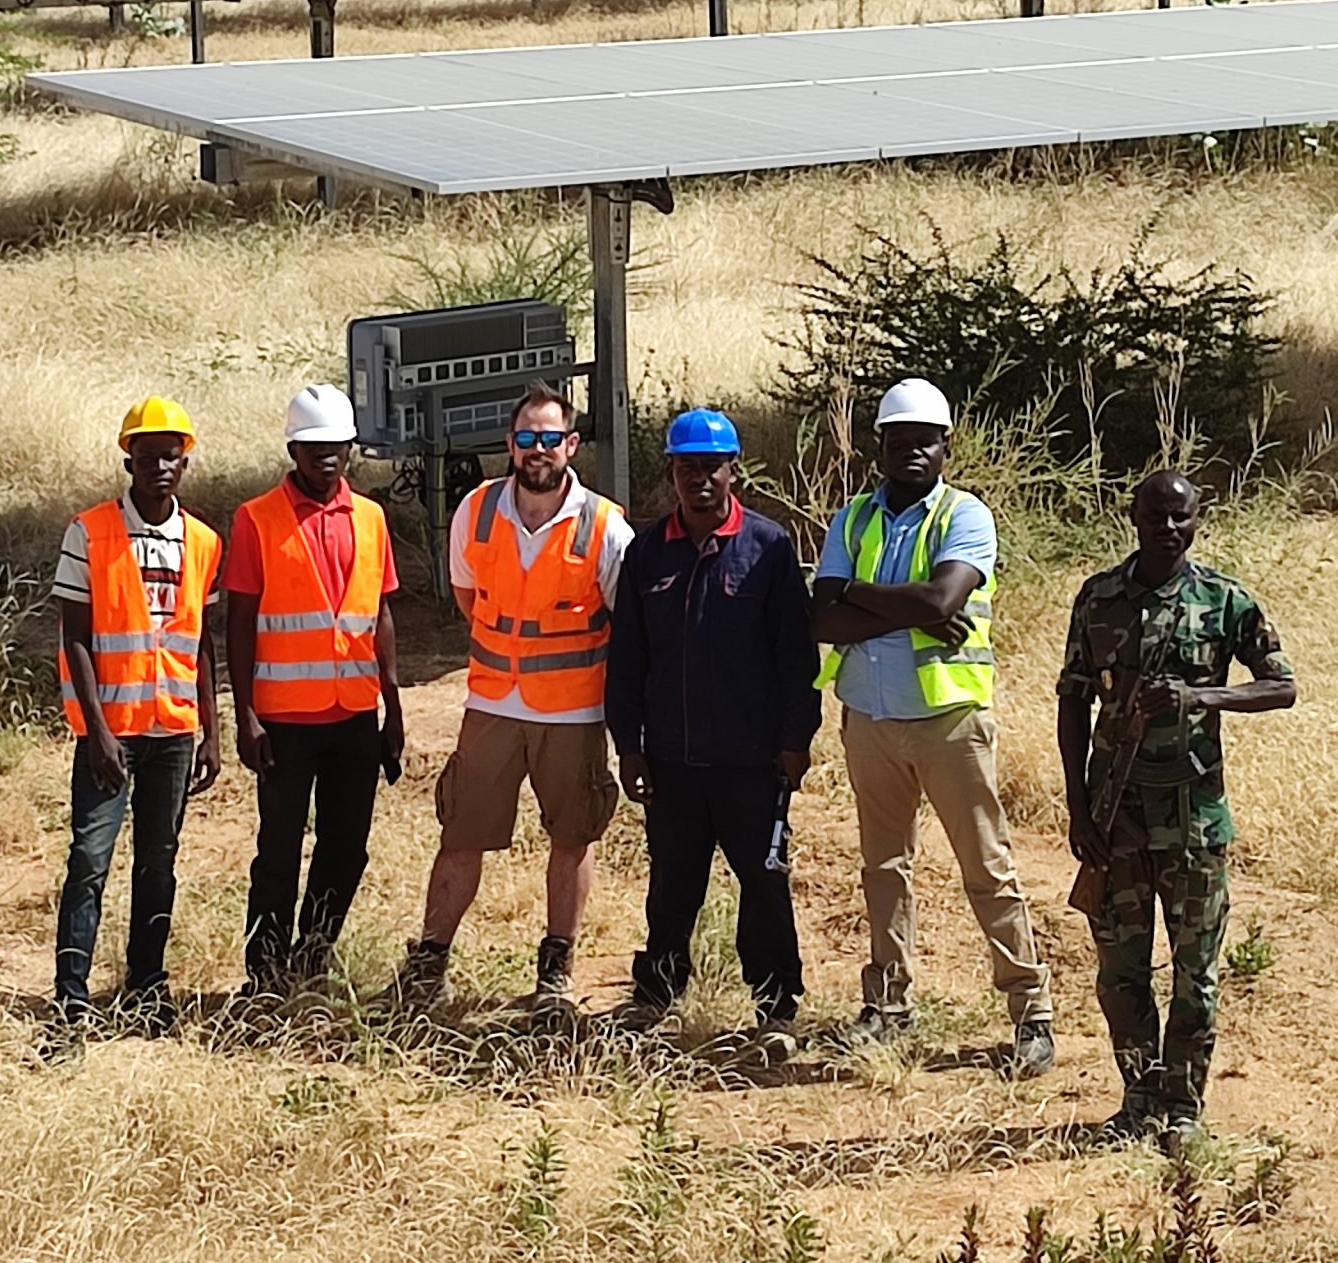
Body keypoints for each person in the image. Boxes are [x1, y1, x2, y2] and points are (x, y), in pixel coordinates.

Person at [812, 378, 1055, 1077]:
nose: (912, 449)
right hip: (869, 719)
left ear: (947, 446)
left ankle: (1030, 1011)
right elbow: (822, 617)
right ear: (878, 446)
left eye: (926, 439)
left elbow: (943, 597)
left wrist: (856, 592)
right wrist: (896, 603)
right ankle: (889, 1006)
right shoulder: (853, 519)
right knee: (884, 870)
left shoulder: (966, 516)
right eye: (898, 438)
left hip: (948, 723)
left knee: (987, 867)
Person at [1058, 469, 1297, 1149]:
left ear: (1198, 520)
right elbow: (1072, 699)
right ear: (1132, 516)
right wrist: (1077, 807)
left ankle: (1184, 1106)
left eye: (1181, 517)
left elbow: (1282, 687)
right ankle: (1138, 1100)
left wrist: (1203, 698)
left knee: (1197, 972)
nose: (1168, 528)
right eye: (1155, 515)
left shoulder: (1224, 601)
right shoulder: (1098, 598)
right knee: (1120, 970)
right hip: (1116, 818)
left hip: (1195, 817)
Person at [402, 382, 632, 1017]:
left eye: (550, 439)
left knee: (572, 838)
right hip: (493, 707)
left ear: (572, 445)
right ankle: (428, 965)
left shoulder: (607, 527)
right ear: (509, 444)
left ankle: (555, 975)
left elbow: (627, 623)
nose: (538, 450)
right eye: (526, 438)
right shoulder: (474, 513)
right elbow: (469, 600)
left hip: (574, 712)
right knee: (461, 836)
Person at [606, 408, 819, 1053]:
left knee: (763, 882)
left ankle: (776, 1008)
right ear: (671, 472)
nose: (700, 479)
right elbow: (629, 658)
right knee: (672, 885)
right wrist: (629, 744)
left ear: (733, 471)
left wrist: (794, 740)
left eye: (712, 466)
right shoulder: (647, 551)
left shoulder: (769, 547)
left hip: (751, 762)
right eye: (687, 467)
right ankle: (657, 993)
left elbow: (796, 656)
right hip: (672, 759)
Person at [223, 383, 404, 996]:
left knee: (347, 847)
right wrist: (244, 715)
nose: (326, 458)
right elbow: (240, 620)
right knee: (277, 850)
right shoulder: (255, 519)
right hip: (282, 721)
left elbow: (378, 615)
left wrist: (394, 708)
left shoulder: (372, 518)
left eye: (337, 447)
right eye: (312, 447)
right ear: (293, 450)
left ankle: (312, 954)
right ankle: (265, 971)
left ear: (351, 448)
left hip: (354, 714)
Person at [50, 396, 223, 1035]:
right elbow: (74, 637)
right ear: (129, 459)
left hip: (174, 731)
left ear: (184, 462)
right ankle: (70, 1000)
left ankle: (147, 989)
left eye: (170, 457)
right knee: (90, 862)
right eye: (147, 457)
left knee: (159, 862)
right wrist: (96, 731)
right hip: (112, 732)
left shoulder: (203, 541)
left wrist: (212, 729)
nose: (159, 467)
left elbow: (201, 638)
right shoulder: (89, 532)